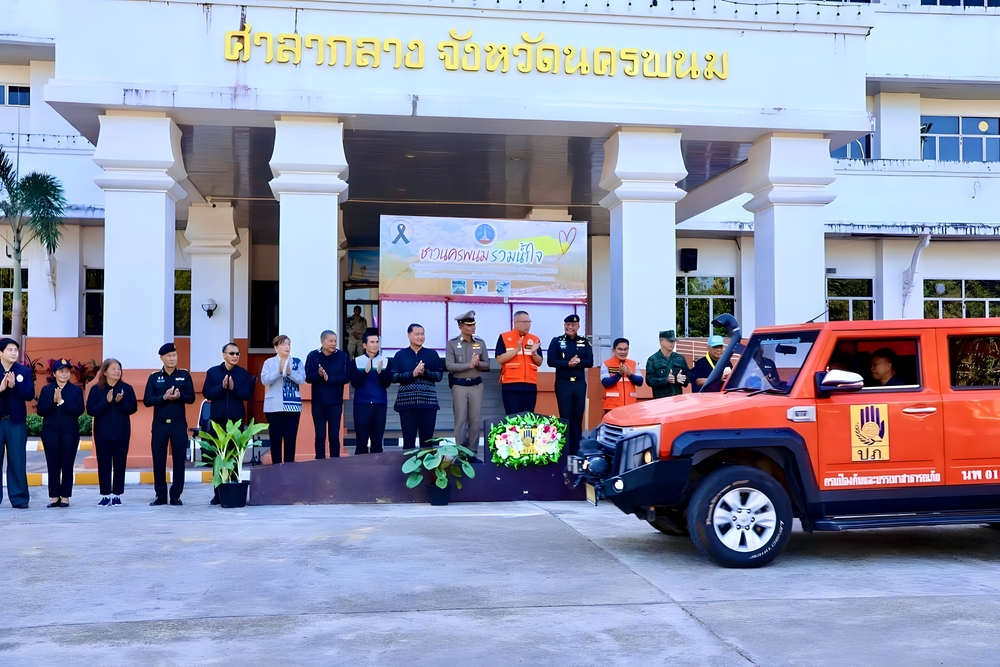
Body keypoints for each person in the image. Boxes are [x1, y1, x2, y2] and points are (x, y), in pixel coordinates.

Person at [144, 343, 195, 506]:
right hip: (160, 425)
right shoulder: (154, 377)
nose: (172, 359)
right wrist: (163, 398)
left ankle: (176, 495)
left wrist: (180, 396)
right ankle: (160, 495)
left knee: (179, 460)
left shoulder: (184, 375)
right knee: (159, 459)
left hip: (178, 424)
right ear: (162, 358)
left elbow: (191, 398)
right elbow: (147, 400)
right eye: (168, 356)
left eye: (174, 355)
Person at [86, 358, 137, 506]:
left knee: (120, 463)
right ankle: (105, 495)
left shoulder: (126, 388)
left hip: (122, 432)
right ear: (105, 372)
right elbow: (91, 410)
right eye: (113, 369)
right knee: (104, 464)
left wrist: (121, 402)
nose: (117, 371)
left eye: (119, 369)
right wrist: (105, 402)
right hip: (102, 433)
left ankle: (117, 495)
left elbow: (133, 408)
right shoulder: (96, 389)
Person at [37, 359, 85, 508]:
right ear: (54, 373)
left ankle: (65, 496)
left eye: (67, 371)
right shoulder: (46, 390)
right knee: (53, 464)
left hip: (69, 433)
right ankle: (54, 496)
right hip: (50, 432)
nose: (64, 374)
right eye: (61, 371)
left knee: (67, 464)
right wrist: (53, 401)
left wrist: (62, 402)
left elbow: (79, 410)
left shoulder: (76, 390)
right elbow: (41, 411)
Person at [446, 310, 491, 457]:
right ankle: (461, 451)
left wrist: (477, 364)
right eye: (469, 325)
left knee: (475, 419)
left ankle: (472, 451)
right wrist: (469, 365)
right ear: (460, 326)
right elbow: (449, 366)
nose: (473, 327)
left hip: (476, 385)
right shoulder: (452, 343)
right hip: (459, 386)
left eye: (474, 325)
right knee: (460, 420)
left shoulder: (480, 342)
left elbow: (487, 364)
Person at [391, 323, 444, 449]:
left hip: (428, 404)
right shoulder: (400, 355)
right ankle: (408, 462)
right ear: (409, 335)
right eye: (417, 334)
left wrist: (425, 373)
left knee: (427, 443)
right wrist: (412, 374)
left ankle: (427, 462)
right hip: (407, 404)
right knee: (408, 442)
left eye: (422, 334)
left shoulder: (432, 354)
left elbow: (439, 376)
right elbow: (393, 377)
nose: (420, 337)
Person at [547, 314, 593, 455]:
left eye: (573, 325)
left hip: (579, 383)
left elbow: (590, 361)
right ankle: (565, 449)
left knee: (578, 415)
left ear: (578, 326)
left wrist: (578, 362)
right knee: (565, 416)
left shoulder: (584, 341)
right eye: (567, 324)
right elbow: (551, 361)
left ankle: (576, 449)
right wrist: (568, 363)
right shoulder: (557, 341)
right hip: (563, 383)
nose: (570, 327)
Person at [305, 330, 352, 458]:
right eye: (330, 341)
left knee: (334, 436)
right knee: (320, 436)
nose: (333, 343)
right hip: (318, 403)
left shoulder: (343, 357)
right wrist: (319, 375)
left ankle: (335, 463)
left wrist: (329, 378)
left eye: (335, 341)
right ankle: (320, 462)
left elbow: (346, 377)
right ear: (322, 341)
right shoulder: (313, 356)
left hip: (335, 403)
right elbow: (307, 377)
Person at [0, 337, 34, 509]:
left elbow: (29, 394)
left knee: (17, 461)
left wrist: (15, 386)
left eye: (15, 350)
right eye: (10, 350)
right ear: (1, 352)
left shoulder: (23, 371)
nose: (14, 353)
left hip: (16, 422)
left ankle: (19, 498)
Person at [260, 335, 305, 464]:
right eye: (283, 344)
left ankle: (289, 467)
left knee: (290, 439)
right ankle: (276, 467)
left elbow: (301, 379)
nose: (287, 347)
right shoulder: (269, 362)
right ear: (276, 348)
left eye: (288, 344)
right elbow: (265, 380)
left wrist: (290, 372)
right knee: (275, 439)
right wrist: (278, 371)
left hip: (293, 406)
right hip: (274, 407)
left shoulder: (297, 362)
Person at [350, 329, 392, 454]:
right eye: (372, 342)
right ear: (364, 345)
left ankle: (377, 465)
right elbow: (355, 383)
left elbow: (387, 383)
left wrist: (380, 373)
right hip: (362, 404)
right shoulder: (356, 361)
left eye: (377, 342)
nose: (375, 345)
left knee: (377, 441)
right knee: (361, 441)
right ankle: (361, 466)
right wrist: (364, 372)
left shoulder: (385, 361)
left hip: (379, 404)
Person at [496, 311, 543, 415]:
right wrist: (516, 350)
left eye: (529, 322)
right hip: (511, 384)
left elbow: (539, 362)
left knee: (528, 417)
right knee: (512, 417)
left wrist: (534, 353)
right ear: (515, 323)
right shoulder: (504, 337)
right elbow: (500, 359)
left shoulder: (534, 339)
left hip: (530, 384)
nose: (528, 325)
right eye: (525, 322)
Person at [203, 343, 256, 429]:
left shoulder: (243, 373)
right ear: (224, 355)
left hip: (237, 419)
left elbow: (248, 394)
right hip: (217, 418)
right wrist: (221, 387)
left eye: (237, 354)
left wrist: (234, 388)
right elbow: (207, 393)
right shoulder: (213, 372)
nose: (235, 356)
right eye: (232, 353)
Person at [601, 338, 644, 413]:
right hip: (612, 406)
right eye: (620, 349)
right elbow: (606, 382)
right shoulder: (606, 364)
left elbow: (640, 382)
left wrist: (630, 374)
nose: (623, 352)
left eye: (625, 349)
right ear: (613, 350)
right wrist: (619, 374)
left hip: (631, 406)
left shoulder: (633, 363)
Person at [645, 330, 689, 399]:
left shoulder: (680, 359)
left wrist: (683, 379)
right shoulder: (653, 359)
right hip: (660, 400)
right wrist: (665, 380)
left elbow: (689, 376)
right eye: (670, 341)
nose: (672, 343)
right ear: (661, 341)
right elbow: (649, 380)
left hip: (677, 399)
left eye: (674, 341)